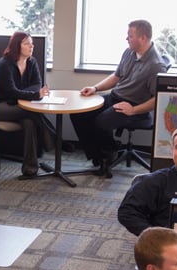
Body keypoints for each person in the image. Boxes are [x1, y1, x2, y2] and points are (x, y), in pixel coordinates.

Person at [71, 19, 169, 174]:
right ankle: (98, 156)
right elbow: (116, 77)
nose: (126, 39)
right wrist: (95, 88)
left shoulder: (156, 65)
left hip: (134, 106)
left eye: (130, 36)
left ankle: (108, 153)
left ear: (142, 38)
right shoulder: (129, 52)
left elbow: (158, 99)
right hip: (115, 97)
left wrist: (133, 110)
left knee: (102, 122)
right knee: (78, 113)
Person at [0, 31, 54, 177]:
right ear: (17, 46)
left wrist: (26, 95)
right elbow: (11, 92)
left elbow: (37, 84)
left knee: (30, 122)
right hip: (1, 107)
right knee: (31, 112)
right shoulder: (4, 64)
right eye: (27, 43)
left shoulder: (32, 62)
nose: (31, 46)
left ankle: (30, 169)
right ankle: (54, 138)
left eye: (31, 43)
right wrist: (33, 95)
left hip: (19, 106)